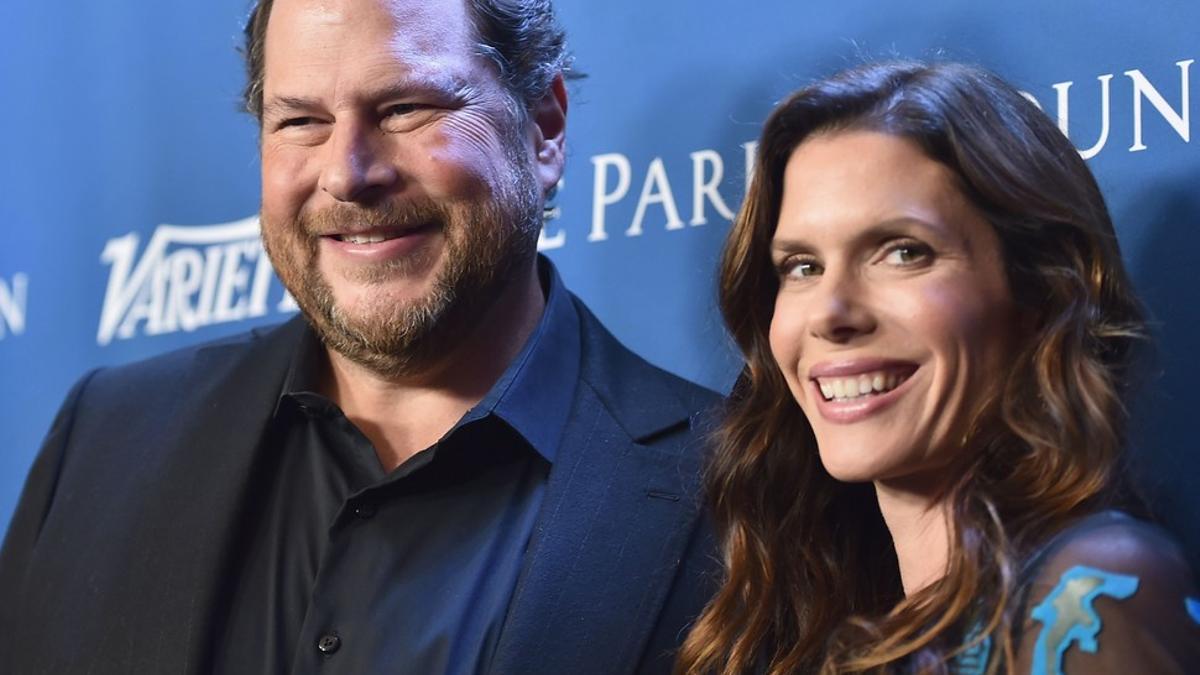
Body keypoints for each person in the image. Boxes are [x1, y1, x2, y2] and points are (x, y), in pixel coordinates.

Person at [0, 1, 719, 673]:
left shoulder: (738, 493)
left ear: (544, 128)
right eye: (301, 122)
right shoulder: (103, 440)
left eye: (405, 108)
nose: (348, 174)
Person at [676, 61, 1200, 674]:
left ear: (1041, 295)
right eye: (802, 267)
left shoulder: (1094, 594)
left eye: (903, 252)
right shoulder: (814, 623)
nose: (831, 313)